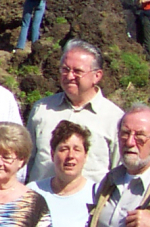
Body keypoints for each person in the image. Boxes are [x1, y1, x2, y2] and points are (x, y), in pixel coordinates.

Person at [25, 39, 124, 185]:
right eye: (65, 70)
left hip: (90, 205)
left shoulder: (115, 118)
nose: (70, 76)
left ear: (97, 76)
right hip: (40, 202)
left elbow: (120, 172)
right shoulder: (42, 109)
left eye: (78, 71)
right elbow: (25, 162)